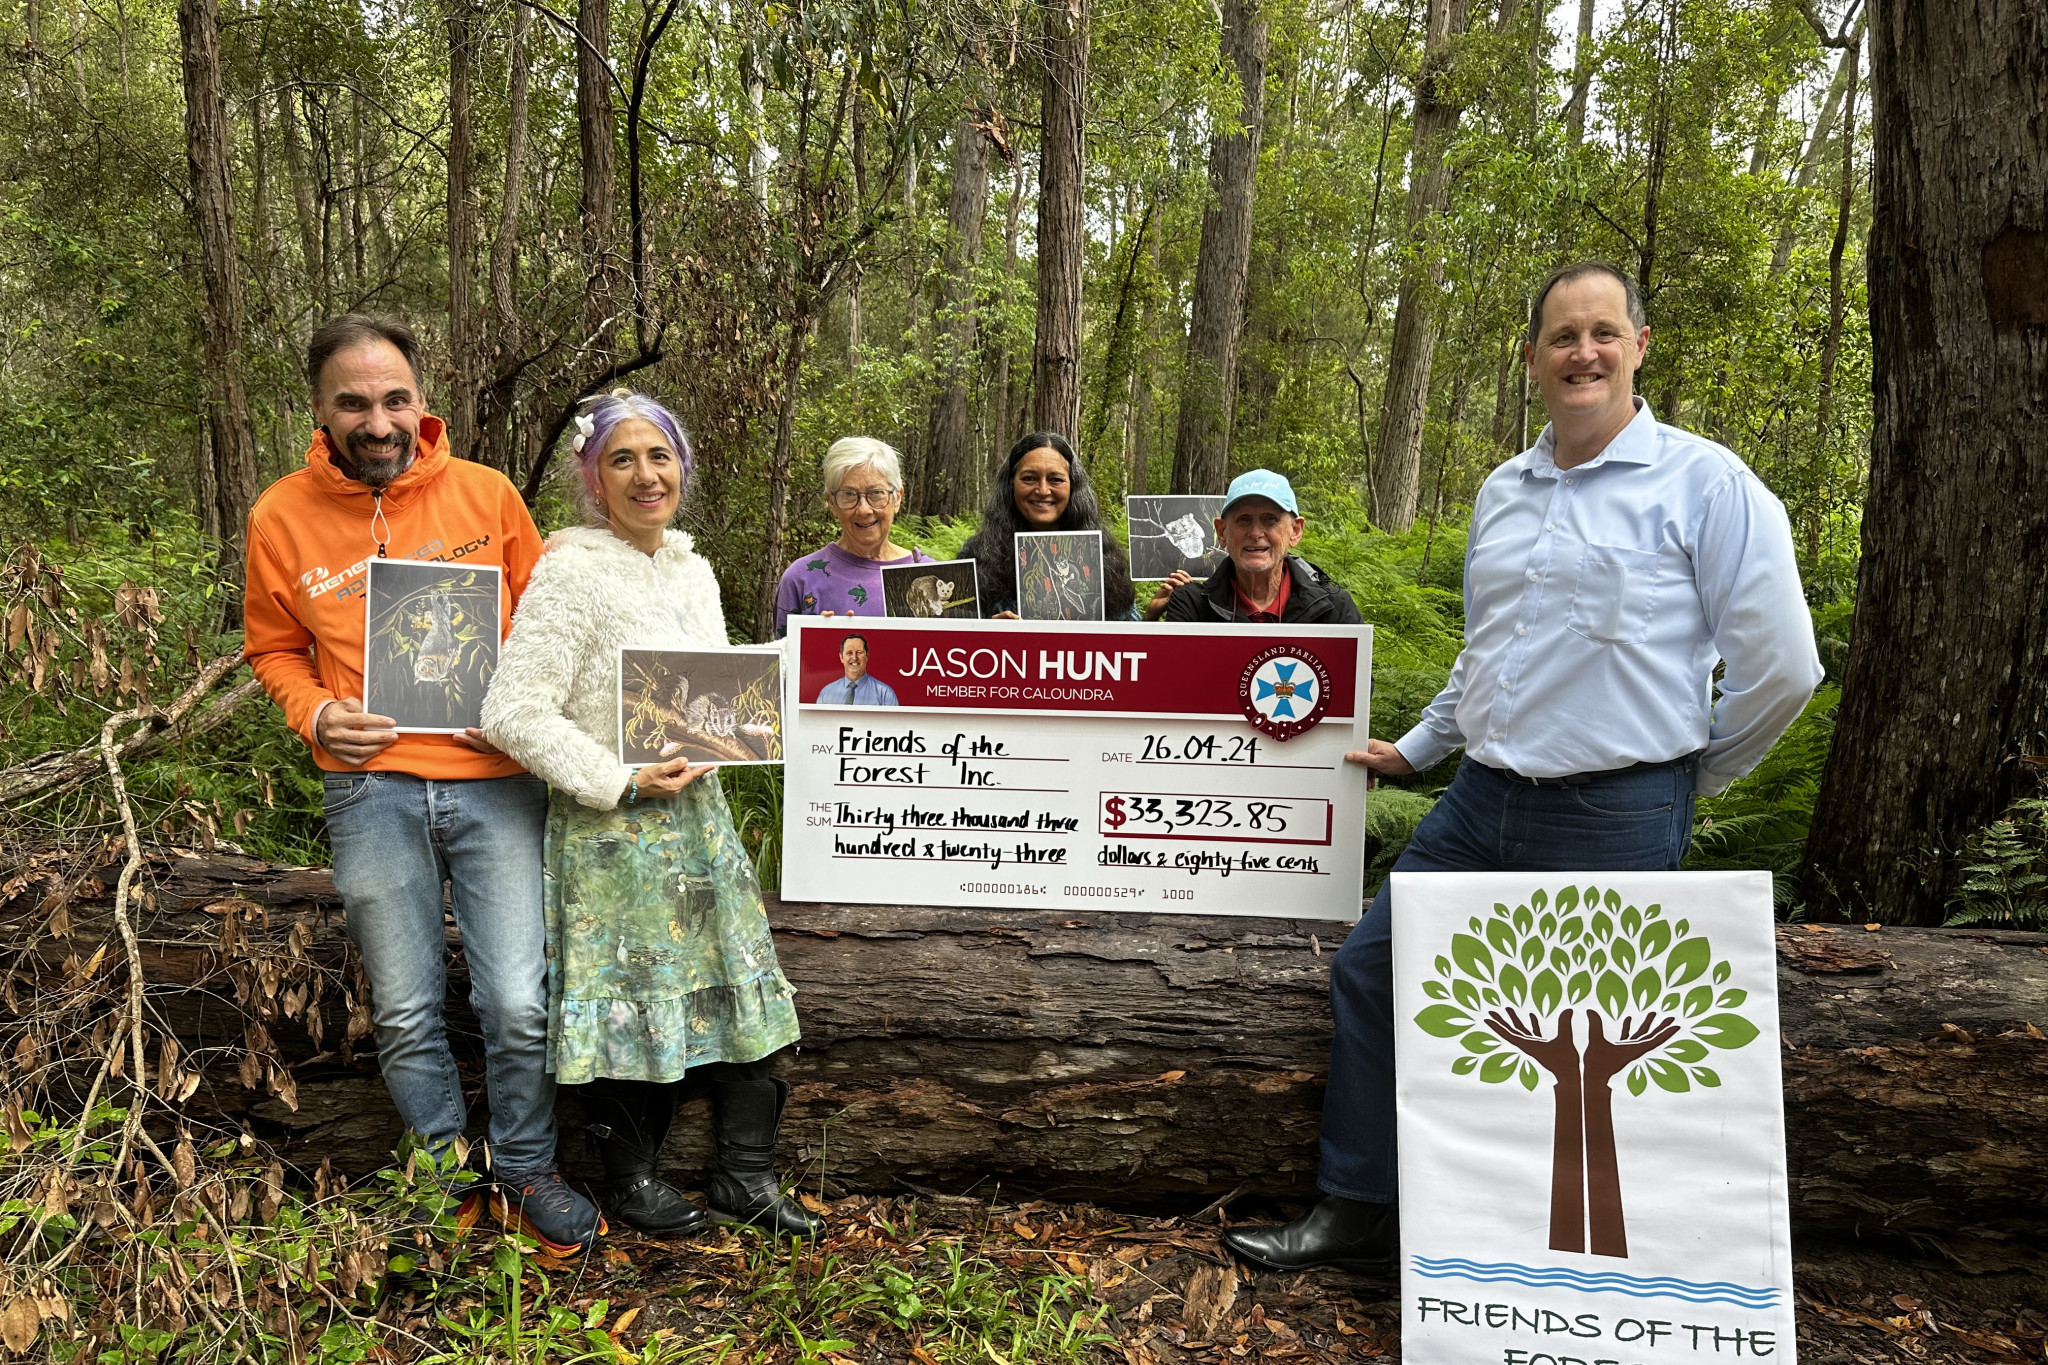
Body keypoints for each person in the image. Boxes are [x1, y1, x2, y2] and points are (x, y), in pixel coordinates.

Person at [1223, 261, 1824, 1274]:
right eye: (1559, 337)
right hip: (1479, 802)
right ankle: (1360, 1205)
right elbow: (1489, 647)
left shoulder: (1706, 484)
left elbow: (1783, 668)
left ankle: (1546, 1264)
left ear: (1636, 345)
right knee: (1372, 972)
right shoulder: (1504, 488)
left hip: (1617, 813)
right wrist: (1419, 748)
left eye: (1600, 333)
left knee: (1581, 1042)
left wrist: (1689, 779)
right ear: (1531, 358)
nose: (1580, 353)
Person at [243, 314, 601, 1253]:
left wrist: (527, 703)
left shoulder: (486, 495)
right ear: (320, 409)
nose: (377, 419)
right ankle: (443, 1170)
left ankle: (525, 1165)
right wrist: (316, 713)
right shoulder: (280, 515)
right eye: (353, 402)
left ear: (421, 400)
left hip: (496, 779)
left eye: (394, 397)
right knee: (403, 1005)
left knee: (518, 998)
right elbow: (274, 649)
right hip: (370, 789)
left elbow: (547, 627)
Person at [481, 391, 824, 1241]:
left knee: (745, 991)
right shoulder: (571, 571)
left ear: (682, 467)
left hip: (699, 825)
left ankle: (746, 1177)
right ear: (593, 478)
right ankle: (630, 1179)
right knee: (638, 1003)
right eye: (623, 459)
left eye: (659, 456)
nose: (646, 475)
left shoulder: (692, 568)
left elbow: (706, 692)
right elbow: (513, 710)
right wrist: (620, 778)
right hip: (616, 833)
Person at [959, 432, 1137, 619]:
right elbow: (953, 639)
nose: (1043, 490)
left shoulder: (1101, 555)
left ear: (1073, 487)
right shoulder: (978, 555)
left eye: (1056, 480)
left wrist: (1152, 615)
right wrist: (988, 634)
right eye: (1029, 478)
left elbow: (1127, 637)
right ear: (1011, 485)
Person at [1152, 470, 1362, 624]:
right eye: (1243, 520)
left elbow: (1355, 683)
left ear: (1295, 531)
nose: (1255, 533)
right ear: (1222, 531)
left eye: (1270, 519)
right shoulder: (1193, 606)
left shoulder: (1335, 608)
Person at [774, 436, 930, 637]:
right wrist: (817, 644)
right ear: (832, 503)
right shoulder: (801, 579)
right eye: (848, 495)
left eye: (876, 493)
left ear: (897, 498)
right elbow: (782, 665)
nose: (864, 509)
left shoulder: (929, 573)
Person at [814, 634, 900, 705]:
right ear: (841, 657)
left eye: (859, 652)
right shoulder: (826, 693)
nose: (854, 658)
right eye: (849, 653)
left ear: (867, 656)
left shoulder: (885, 694)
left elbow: (895, 725)